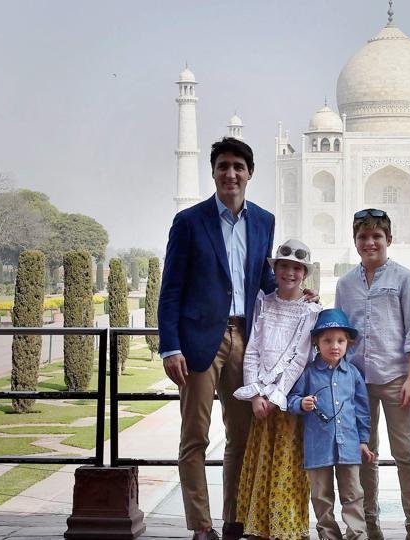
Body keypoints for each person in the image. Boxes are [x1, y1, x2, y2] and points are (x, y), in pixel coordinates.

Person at [158, 137, 276, 540]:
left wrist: (296, 296)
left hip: (246, 338)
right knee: (194, 435)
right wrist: (170, 346)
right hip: (198, 343)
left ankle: (234, 520)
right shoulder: (190, 221)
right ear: (213, 172)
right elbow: (171, 288)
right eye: (223, 166)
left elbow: (262, 279)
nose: (230, 174)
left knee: (241, 436)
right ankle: (201, 524)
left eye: (237, 167)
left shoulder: (263, 221)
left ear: (249, 173)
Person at [334, 209, 410, 540]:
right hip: (358, 383)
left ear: (388, 240)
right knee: (365, 456)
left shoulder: (403, 278)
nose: (370, 242)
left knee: (406, 455)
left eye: (376, 236)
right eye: (363, 237)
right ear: (356, 242)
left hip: (394, 379)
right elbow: (339, 332)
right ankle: (369, 526)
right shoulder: (345, 284)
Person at [233, 239, 321, 540]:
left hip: (288, 400)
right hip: (262, 400)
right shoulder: (263, 302)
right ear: (276, 269)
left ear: (304, 273)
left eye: (297, 268)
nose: (290, 273)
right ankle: (260, 527)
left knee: (287, 463)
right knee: (262, 460)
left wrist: (273, 395)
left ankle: (286, 527)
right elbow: (253, 349)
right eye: (284, 266)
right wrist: (255, 393)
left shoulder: (310, 310)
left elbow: (300, 358)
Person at [288, 309, 375, 540]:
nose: (334, 346)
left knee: (353, 493)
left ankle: (357, 533)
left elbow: (362, 411)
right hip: (318, 446)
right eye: (327, 340)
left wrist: (363, 441)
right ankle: (328, 533)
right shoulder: (307, 373)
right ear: (316, 342)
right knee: (321, 494)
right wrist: (301, 403)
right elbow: (291, 399)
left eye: (340, 340)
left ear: (348, 343)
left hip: (349, 445)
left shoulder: (353, 374)